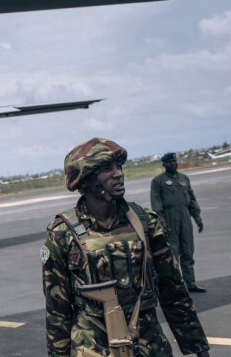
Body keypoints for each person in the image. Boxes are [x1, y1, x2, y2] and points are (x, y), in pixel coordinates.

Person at [42, 138, 210, 357]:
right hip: (93, 349)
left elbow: (173, 290)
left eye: (118, 167)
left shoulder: (145, 221)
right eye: (106, 169)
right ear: (86, 179)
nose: (118, 174)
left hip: (150, 348)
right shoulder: (62, 233)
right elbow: (57, 311)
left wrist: (198, 347)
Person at [150, 152, 206, 293]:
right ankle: (174, 287)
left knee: (188, 252)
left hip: (185, 218)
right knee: (172, 254)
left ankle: (191, 284)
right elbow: (156, 203)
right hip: (170, 219)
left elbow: (192, 200)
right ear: (164, 164)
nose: (173, 164)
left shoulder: (184, 179)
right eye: (169, 162)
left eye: (174, 161)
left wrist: (197, 219)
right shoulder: (158, 181)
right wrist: (161, 221)